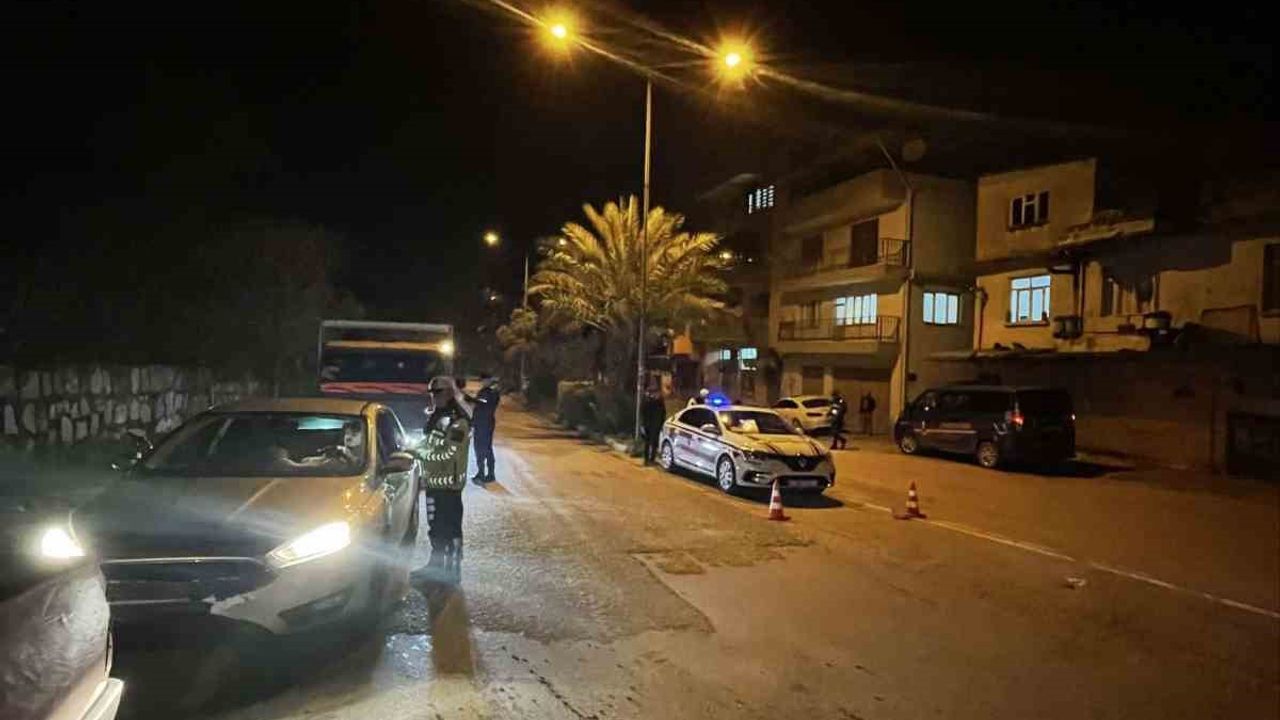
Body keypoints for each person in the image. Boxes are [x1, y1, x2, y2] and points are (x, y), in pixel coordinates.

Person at [414, 376, 472, 580]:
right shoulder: (437, 418)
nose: (434, 397)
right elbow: (428, 442)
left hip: (449, 486)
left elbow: (450, 454)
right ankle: (436, 566)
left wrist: (421, 454)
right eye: (432, 393)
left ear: (449, 393)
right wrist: (413, 449)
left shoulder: (458, 422)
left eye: (438, 393)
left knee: (449, 528)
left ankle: (450, 569)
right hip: (434, 482)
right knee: (436, 527)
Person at [463, 373, 500, 484]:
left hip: (485, 423)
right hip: (482, 423)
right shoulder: (486, 392)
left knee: (483, 449)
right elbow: (479, 406)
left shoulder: (490, 393)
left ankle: (486, 474)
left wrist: (470, 399)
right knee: (483, 449)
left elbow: (483, 405)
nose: (484, 382)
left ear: (489, 380)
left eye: (486, 380)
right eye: (483, 380)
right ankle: (485, 473)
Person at [640, 383, 667, 465]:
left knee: (654, 442)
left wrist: (662, 423)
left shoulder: (659, 401)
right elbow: (642, 412)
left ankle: (651, 459)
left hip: (655, 425)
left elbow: (663, 413)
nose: (655, 394)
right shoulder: (647, 401)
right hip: (648, 425)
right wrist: (643, 424)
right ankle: (646, 460)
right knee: (648, 442)